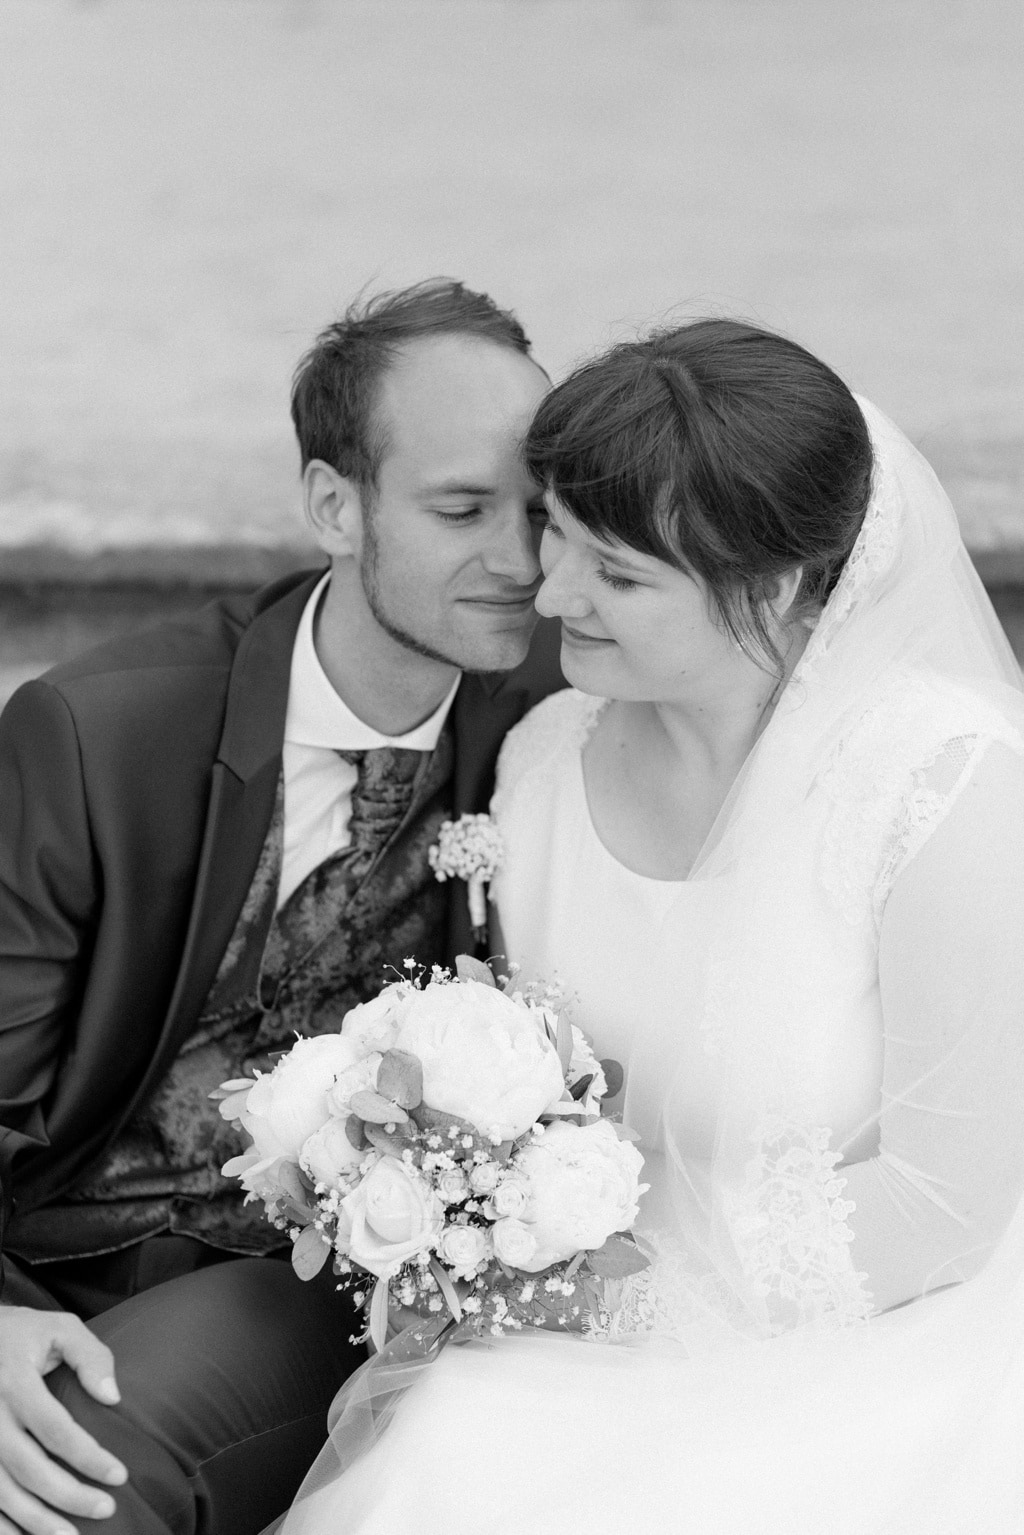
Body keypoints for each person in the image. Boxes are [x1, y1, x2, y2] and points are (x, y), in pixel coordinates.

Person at [276, 319, 1024, 1533]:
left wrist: (604, 1305)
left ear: (773, 586)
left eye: (617, 575)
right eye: (557, 537)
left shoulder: (939, 785)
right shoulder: (539, 762)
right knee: (456, 1455)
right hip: (576, 1316)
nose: (550, 589)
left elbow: (945, 1207)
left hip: (898, 1333)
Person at [0, 278, 563, 1535]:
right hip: (48, 1255)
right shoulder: (100, 733)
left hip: (311, 1277)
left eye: (541, 510)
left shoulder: (561, 723)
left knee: (71, 1484)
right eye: (463, 509)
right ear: (333, 506)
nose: (522, 561)